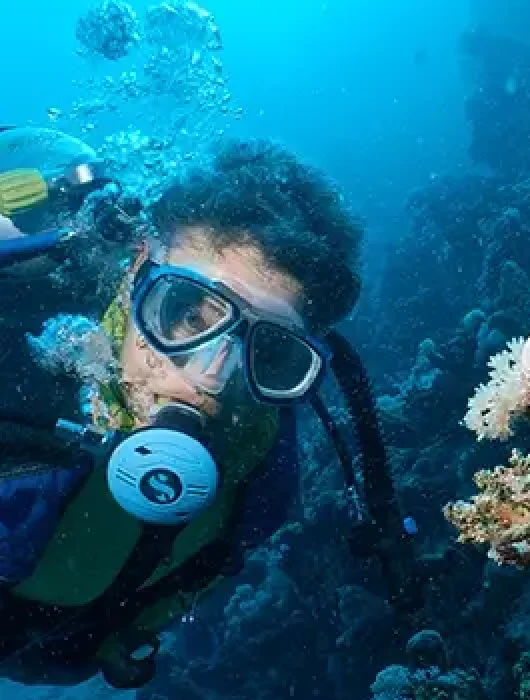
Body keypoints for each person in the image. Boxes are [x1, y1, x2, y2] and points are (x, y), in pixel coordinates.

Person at [0, 131, 416, 689]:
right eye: (189, 314)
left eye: (266, 350)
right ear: (134, 271)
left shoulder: (263, 474)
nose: (211, 376)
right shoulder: (19, 382)